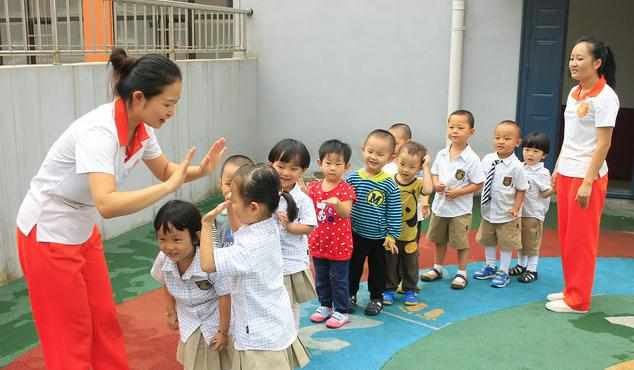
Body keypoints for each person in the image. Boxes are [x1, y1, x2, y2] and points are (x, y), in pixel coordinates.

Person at [15, 48, 226, 369]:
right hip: (48, 231)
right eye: (167, 104)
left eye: (175, 104)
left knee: (103, 319)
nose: (171, 112)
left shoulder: (142, 129)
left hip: (82, 227)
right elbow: (107, 203)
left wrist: (201, 170)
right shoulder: (99, 132)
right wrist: (167, 189)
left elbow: (167, 170)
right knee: (69, 330)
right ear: (139, 98)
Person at [199, 164, 309, 370]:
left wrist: (206, 225)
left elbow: (208, 263)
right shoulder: (267, 223)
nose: (231, 199)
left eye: (235, 198)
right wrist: (232, 203)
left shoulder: (250, 248)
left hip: (259, 336)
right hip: (274, 323)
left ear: (253, 207)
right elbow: (239, 229)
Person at [546, 37, 618, 313]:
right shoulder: (574, 93)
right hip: (567, 172)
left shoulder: (606, 97)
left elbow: (603, 144)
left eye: (580, 58)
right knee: (567, 236)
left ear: (597, 63)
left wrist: (588, 182)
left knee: (582, 240)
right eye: (572, 58)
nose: (573, 63)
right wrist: (557, 169)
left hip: (587, 177)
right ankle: (570, 289)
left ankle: (579, 301)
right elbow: (570, 137)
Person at [150, 200, 233, 370]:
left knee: (219, 361)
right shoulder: (163, 259)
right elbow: (165, 282)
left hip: (214, 318)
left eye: (177, 240)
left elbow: (225, 295)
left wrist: (223, 332)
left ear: (196, 237)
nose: (169, 247)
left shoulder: (209, 260)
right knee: (194, 359)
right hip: (189, 319)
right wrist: (170, 311)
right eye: (162, 239)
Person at [421, 110, 485, 289]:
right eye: (451, 127)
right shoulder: (442, 154)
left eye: (460, 127)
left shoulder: (471, 158)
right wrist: (436, 185)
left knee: (460, 242)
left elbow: (478, 183)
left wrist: (459, 192)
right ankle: (437, 267)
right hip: (440, 207)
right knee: (439, 239)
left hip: (460, 210)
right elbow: (434, 173)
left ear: (471, 132)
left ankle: (462, 272)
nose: (454, 131)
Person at [346, 129, 402, 316]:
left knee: (378, 270)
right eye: (370, 151)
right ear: (363, 149)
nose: (374, 157)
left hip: (380, 238)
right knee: (353, 267)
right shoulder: (352, 178)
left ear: (391, 157)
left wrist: (392, 235)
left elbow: (395, 211)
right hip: (356, 233)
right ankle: (350, 294)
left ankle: (376, 298)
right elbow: (343, 201)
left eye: (380, 154)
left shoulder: (389, 183)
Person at [268, 139, 318, 328]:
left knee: (289, 304)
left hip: (290, 262)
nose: (286, 173)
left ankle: (291, 339)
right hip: (267, 259)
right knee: (269, 303)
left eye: (293, 169)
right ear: (271, 165)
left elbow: (309, 226)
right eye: (281, 166)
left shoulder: (303, 199)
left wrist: (289, 227)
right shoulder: (264, 193)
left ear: (302, 171)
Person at [473, 120, 528, 288]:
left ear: (517, 142)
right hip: (488, 211)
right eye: (497, 137)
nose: (501, 141)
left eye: (507, 138)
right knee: (488, 240)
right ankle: (490, 266)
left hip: (507, 214)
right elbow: (480, 179)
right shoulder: (488, 159)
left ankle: (503, 271)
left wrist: (516, 208)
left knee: (506, 243)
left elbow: (521, 189)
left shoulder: (517, 167)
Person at [307, 140, 356, 328]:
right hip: (319, 243)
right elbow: (307, 210)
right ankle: (325, 305)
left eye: (338, 164)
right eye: (328, 163)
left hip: (339, 244)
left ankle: (342, 311)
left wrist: (337, 203)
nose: (333, 168)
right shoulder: (314, 188)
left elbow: (346, 213)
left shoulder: (345, 189)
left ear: (347, 166)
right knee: (321, 277)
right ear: (320, 163)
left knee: (339, 279)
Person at [383, 142, 432, 305]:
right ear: (396, 160)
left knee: (410, 264)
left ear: (418, 167)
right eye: (402, 164)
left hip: (410, 234)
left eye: (412, 167)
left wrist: (426, 168)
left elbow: (428, 190)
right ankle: (389, 289)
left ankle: (410, 290)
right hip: (391, 233)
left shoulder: (417, 183)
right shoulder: (390, 181)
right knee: (390, 263)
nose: (405, 169)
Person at [509, 132, 553, 283]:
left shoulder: (543, 173)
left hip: (533, 213)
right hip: (519, 212)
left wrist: (556, 188)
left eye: (536, 151)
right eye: (527, 149)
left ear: (544, 155)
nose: (530, 154)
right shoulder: (520, 167)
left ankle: (532, 270)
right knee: (521, 240)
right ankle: (521, 265)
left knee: (532, 243)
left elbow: (546, 193)